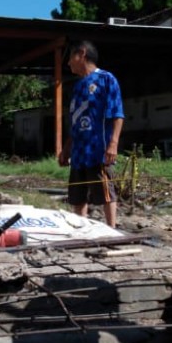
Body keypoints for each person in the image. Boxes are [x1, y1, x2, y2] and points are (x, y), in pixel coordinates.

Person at [58, 40, 124, 228]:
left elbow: (117, 114)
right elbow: (75, 122)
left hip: (99, 150)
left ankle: (111, 229)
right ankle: (82, 230)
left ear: (82, 54)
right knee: (78, 197)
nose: (69, 63)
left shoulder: (106, 79)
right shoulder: (78, 87)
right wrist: (66, 149)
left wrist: (113, 144)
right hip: (79, 153)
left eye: (71, 57)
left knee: (105, 192)